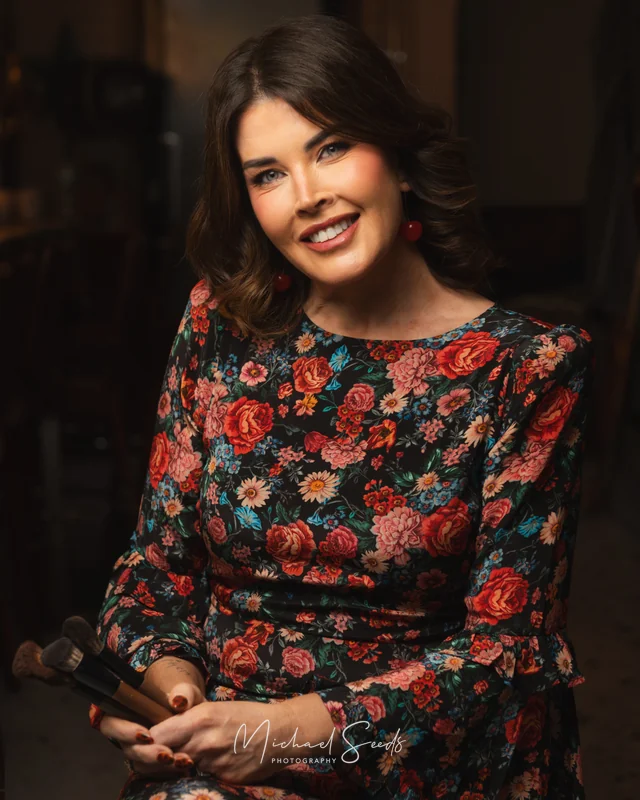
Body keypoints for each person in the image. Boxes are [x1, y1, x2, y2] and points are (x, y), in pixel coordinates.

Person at [90, 13, 594, 800]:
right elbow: (154, 569)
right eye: (267, 174)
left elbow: (504, 654)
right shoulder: (218, 327)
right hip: (220, 750)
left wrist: (280, 735)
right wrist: (168, 687)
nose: (308, 197)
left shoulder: (527, 366)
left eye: (330, 148)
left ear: (397, 155)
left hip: (417, 754)